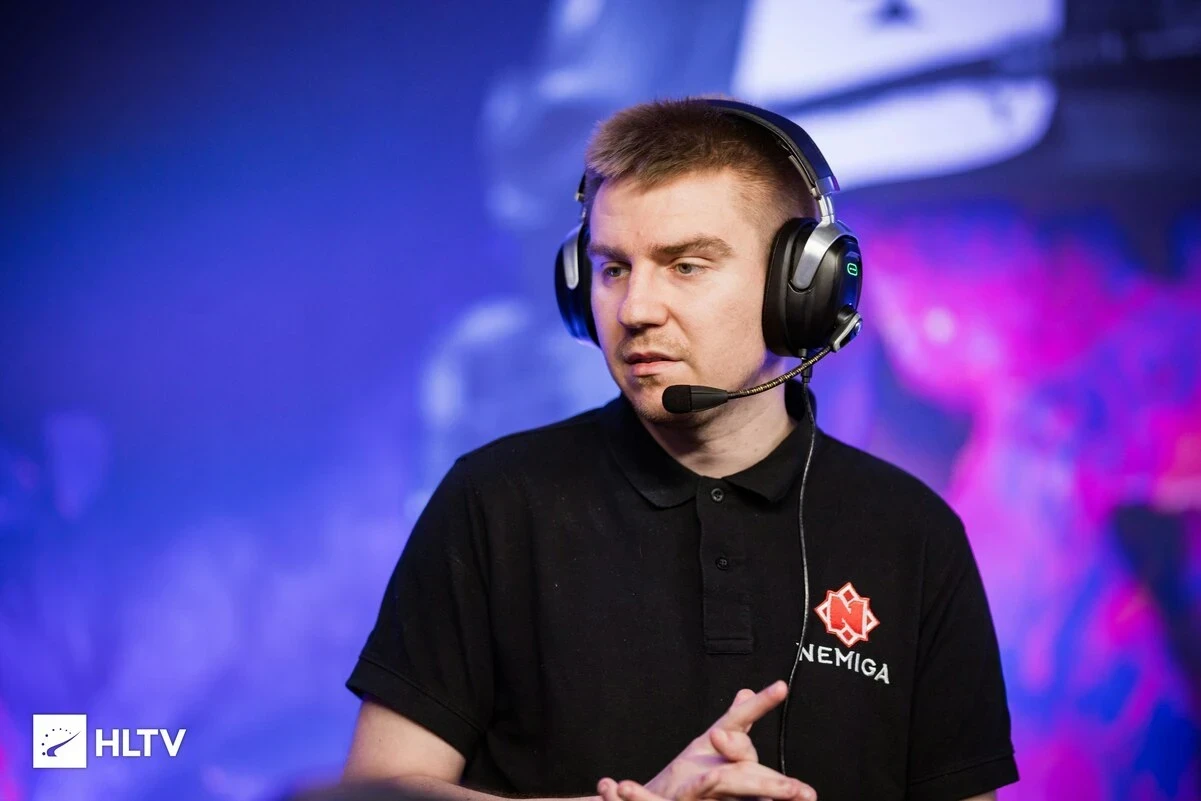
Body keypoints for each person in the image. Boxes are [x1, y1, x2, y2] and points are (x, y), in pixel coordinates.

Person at [341, 97, 1018, 801]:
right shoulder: (492, 502)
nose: (635, 309)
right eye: (612, 269)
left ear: (802, 287)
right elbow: (376, 794)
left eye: (686, 266)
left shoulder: (914, 535)